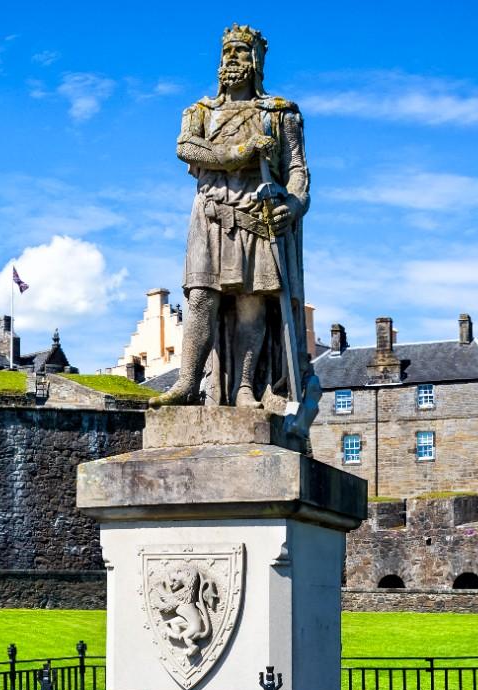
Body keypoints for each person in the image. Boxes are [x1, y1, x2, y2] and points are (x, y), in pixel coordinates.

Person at [150, 22, 317, 428]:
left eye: (241, 52)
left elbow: (298, 172)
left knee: (251, 306)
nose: (231, 59)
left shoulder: (280, 114)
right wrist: (242, 151)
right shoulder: (200, 112)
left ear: (256, 60)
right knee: (201, 299)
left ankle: (244, 386)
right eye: (227, 52)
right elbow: (185, 148)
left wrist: (293, 207)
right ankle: (189, 381)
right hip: (210, 214)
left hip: (258, 217)